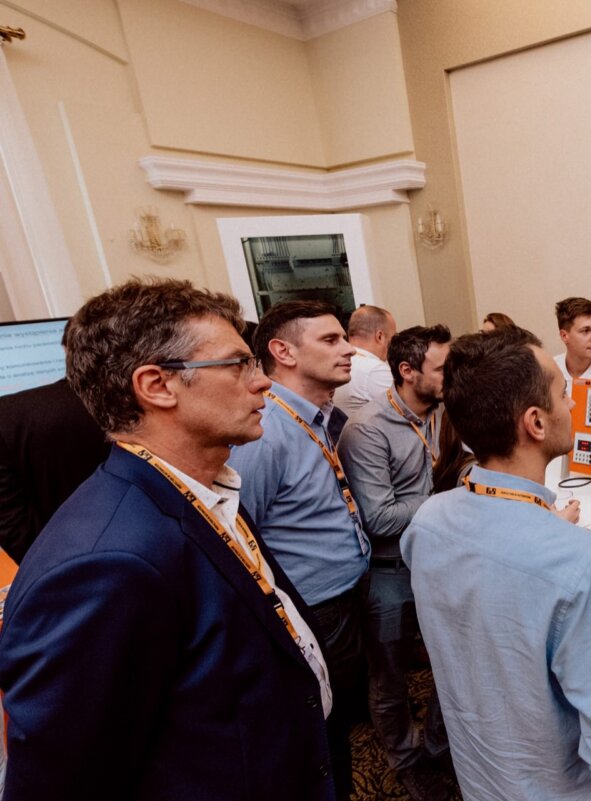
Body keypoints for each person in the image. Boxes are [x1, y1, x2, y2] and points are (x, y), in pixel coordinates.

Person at [0, 278, 335, 800]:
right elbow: (61, 782)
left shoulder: (202, 486)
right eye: (238, 364)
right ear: (157, 386)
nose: (262, 382)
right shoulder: (107, 562)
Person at [401, 327, 591, 801]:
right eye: (564, 394)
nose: (574, 406)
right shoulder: (583, 563)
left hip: (478, 775)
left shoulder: (426, 523)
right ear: (536, 423)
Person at [227, 300, 369, 801]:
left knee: (341, 722)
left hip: (342, 601)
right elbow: (244, 534)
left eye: (344, 337)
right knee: (320, 738)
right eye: (330, 341)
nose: (349, 348)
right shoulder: (266, 432)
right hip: (312, 610)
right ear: (282, 351)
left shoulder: (317, 416)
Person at [337, 324, 453, 801]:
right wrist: (450, 498)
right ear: (408, 371)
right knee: (389, 678)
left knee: (450, 662)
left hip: (438, 562)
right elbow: (380, 517)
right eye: (443, 368)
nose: (453, 376)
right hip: (388, 574)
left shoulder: (444, 415)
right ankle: (406, 761)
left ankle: (438, 746)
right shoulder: (366, 430)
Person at [0, 326, 109, 562]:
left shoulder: (7, 416)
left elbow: (13, 530)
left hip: (55, 566)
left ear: (65, 351)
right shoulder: (135, 407)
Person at [333, 304, 397, 414]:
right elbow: (408, 410)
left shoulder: (341, 362)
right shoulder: (374, 369)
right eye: (393, 338)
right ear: (380, 337)